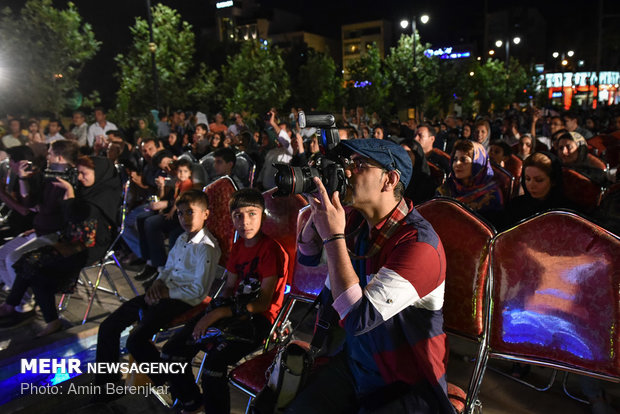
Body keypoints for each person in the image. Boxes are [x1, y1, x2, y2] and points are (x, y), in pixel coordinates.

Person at [287, 138, 454, 414]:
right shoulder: (356, 221)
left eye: (359, 165)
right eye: (347, 165)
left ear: (389, 179)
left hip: (405, 382)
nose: (347, 173)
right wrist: (314, 213)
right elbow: (307, 258)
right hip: (356, 362)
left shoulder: (419, 245)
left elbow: (357, 318)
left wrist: (333, 236)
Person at [159, 188, 288, 413]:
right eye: (238, 216)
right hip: (232, 312)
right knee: (172, 351)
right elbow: (229, 287)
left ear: (263, 217)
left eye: (252, 214)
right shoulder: (238, 247)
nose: (245, 221)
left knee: (212, 368)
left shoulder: (270, 250)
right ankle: (191, 401)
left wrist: (217, 315)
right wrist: (212, 313)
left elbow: (263, 303)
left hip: (258, 320)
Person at [95, 190, 221, 391]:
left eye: (190, 212)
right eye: (180, 213)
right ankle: (105, 383)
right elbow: (168, 269)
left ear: (205, 214)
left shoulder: (206, 247)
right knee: (109, 326)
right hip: (164, 293)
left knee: (136, 341)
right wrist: (157, 284)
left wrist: (165, 293)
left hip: (182, 300)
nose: (184, 218)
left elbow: (198, 292)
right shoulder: (181, 239)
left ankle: (170, 381)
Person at [0, 156, 121, 336]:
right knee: (29, 261)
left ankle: (29, 312)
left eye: (84, 173)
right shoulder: (87, 189)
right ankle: (19, 308)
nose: (80, 177)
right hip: (72, 241)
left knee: (35, 265)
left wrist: (70, 193)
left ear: (99, 173)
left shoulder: (105, 193)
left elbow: (78, 216)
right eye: (78, 173)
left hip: (90, 246)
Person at [134, 158, 195, 282]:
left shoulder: (186, 183)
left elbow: (179, 201)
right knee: (141, 218)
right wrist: (161, 187)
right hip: (170, 210)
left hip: (180, 214)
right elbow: (163, 196)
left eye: (169, 166)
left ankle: (159, 265)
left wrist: (170, 210)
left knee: (151, 223)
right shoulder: (174, 181)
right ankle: (149, 261)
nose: (167, 169)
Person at [502, 152, 573, 229]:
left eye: (539, 180)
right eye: (528, 179)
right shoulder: (515, 206)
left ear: (553, 181)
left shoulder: (566, 212)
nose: (531, 185)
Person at [437, 139, 504, 216]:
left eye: (463, 160)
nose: (457, 164)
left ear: (478, 163)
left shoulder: (492, 196)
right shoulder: (447, 187)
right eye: (455, 159)